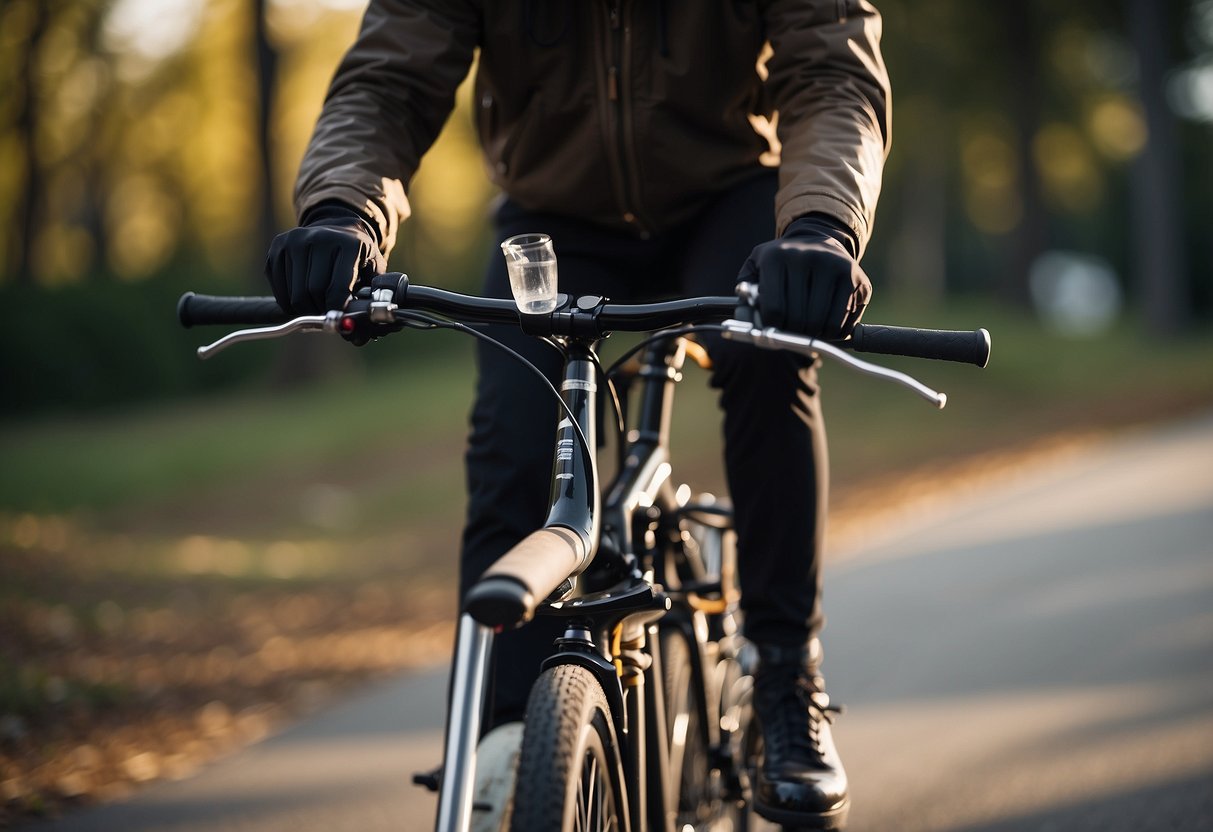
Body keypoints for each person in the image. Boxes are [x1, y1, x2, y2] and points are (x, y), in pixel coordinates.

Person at [265, 2, 890, 828]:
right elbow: (390, 79)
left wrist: (821, 226)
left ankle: (784, 674)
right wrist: (343, 210)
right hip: (553, 219)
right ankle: (505, 746)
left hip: (731, 197)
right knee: (513, 448)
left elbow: (830, 67)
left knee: (770, 360)